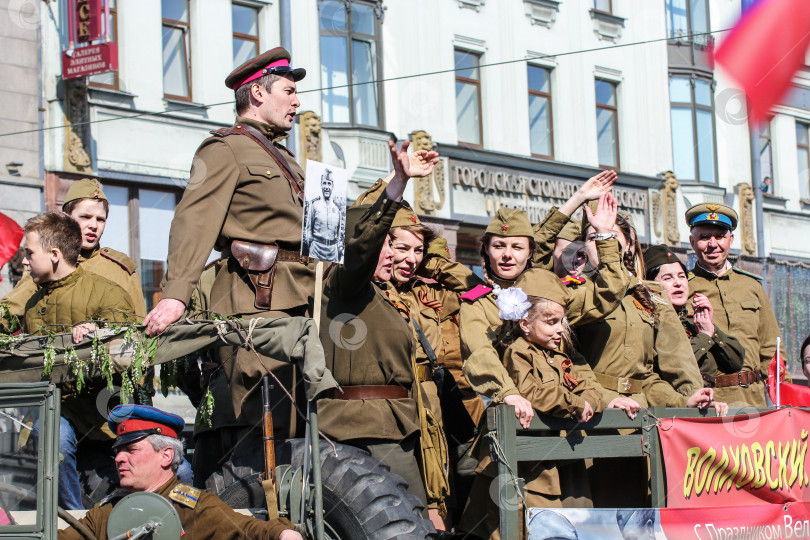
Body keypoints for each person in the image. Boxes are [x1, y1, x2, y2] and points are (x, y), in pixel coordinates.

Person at [144, 48, 314, 478]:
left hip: (300, 297)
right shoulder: (225, 149)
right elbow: (193, 219)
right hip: (258, 301)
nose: (297, 102)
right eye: (289, 92)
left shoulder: (285, 158)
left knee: (292, 424)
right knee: (257, 424)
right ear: (257, 92)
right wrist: (177, 294)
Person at [317, 139, 439, 517]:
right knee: (401, 523)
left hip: (394, 425)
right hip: (363, 430)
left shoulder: (380, 294)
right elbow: (360, 250)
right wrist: (398, 181)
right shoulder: (344, 283)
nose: (394, 254)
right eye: (386, 244)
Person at [460, 182, 628, 431]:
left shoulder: (549, 294)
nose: (508, 255)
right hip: (518, 421)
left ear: (530, 253)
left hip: (568, 421)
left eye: (517, 247)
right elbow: (480, 355)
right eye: (498, 246)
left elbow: (609, 292)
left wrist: (604, 235)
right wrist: (507, 393)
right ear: (486, 249)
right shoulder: (478, 302)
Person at [462, 271, 604, 539]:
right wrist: (575, 405)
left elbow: (587, 385)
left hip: (552, 456)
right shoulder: (518, 352)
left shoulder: (559, 353)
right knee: (513, 525)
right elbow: (535, 392)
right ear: (525, 324)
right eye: (551, 322)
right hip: (524, 462)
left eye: (561, 321)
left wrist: (590, 401)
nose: (560, 329)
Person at [13, 212, 135, 511]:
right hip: (57, 407)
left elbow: (129, 352)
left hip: (102, 408)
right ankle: (72, 516)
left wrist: (100, 335)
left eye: (29, 254)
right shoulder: (33, 303)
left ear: (54, 255)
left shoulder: (107, 291)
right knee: (53, 442)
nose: (25, 262)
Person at [58, 404, 302, 540]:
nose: (119, 457)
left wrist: (283, 534)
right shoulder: (107, 512)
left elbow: (246, 530)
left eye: (130, 449)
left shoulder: (194, 508)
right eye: (118, 450)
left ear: (166, 456)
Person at [685, 202, 787, 407]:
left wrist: (783, 400)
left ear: (731, 240)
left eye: (720, 236)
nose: (713, 244)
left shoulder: (752, 285)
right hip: (707, 402)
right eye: (704, 237)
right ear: (692, 241)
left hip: (753, 400)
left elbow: (771, 348)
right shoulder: (683, 288)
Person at [1, 178, 146, 319]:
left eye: (100, 219)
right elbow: (10, 312)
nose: (94, 226)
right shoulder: (47, 262)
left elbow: (139, 327)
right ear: (67, 218)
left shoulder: (121, 270)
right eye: (85, 217)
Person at [643, 245, 745, 388]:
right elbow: (677, 364)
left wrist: (712, 329)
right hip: (672, 405)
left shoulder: (693, 322)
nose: (678, 283)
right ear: (650, 285)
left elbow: (735, 363)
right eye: (667, 278)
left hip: (704, 404)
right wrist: (704, 338)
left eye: (681, 276)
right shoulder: (648, 322)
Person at [303, 167, 343, 261]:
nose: (326, 187)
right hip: (316, 249)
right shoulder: (315, 205)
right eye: (324, 183)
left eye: (329, 184)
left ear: (332, 186)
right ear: (321, 184)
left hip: (332, 253)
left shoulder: (337, 209)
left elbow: (339, 234)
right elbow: (308, 230)